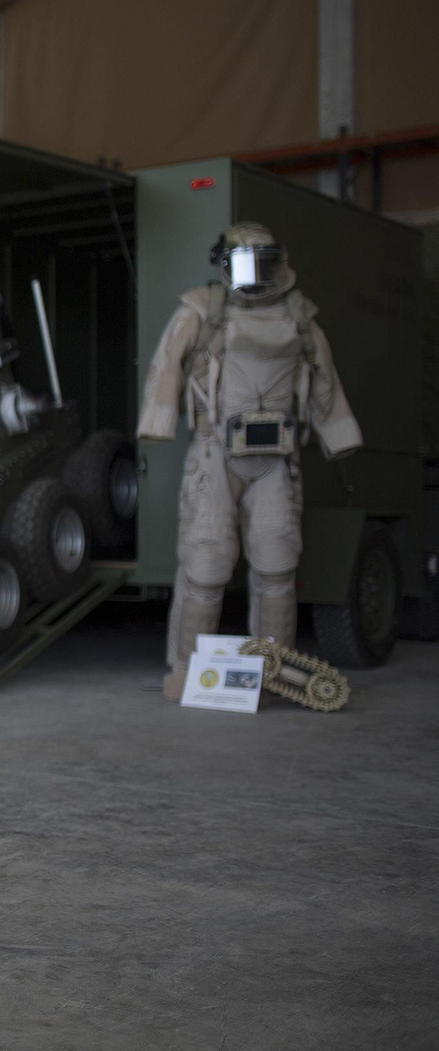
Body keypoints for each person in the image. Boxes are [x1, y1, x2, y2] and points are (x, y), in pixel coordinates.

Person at [138, 222, 360, 699]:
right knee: (205, 564)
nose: (256, 274)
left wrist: (339, 435)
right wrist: (157, 421)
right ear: (224, 265)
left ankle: (273, 670)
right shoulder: (204, 310)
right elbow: (166, 366)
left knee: (277, 566)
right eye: (246, 264)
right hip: (214, 452)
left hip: (277, 459)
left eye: (265, 263)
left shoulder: (298, 316)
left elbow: (324, 379)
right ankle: (187, 671)